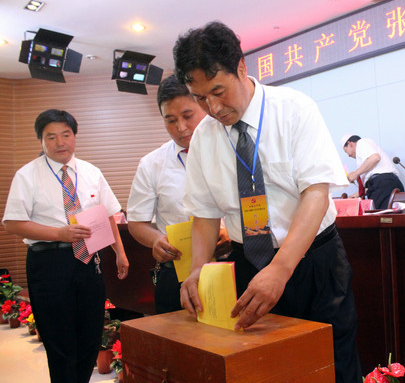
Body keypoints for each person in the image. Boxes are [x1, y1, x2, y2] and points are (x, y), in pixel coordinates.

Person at [174, 21, 361, 383]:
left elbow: (315, 194)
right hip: (248, 266)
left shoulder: (294, 109)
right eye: (200, 98)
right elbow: (205, 215)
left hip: (312, 262)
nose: (213, 107)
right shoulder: (204, 138)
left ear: (241, 67)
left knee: (330, 365)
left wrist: (280, 269)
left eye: (218, 91)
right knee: (264, 370)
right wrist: (197, 268)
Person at [2, 109, 129, 383]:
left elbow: (109, 214)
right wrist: (58, 233)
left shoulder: (91, 172)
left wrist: (119, 252)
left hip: (89, 260)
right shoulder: (27, 175)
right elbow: (12, 223)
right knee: (59, 340)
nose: (60, 142)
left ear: (74, 136)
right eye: (51, 137)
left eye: (66, 135)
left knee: (90, 335)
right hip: (49, 263)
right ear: (41, 140)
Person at [127, 75, 217, 314]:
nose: (181, 127)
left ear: (204, 106)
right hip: (177, 269)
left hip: (230, 265)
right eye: (171, 120)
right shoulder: (152, 164)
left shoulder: (229, 149)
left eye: (188, 116)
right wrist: (156, 239)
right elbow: (137, 222)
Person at [341, 134, 404, 209]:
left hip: (383, 185)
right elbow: (374, 177)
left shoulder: (361, 143)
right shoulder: (366, 152)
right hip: (389, 184)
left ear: (350, 143)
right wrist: (359, 193)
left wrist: (355, 173)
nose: (348, 155)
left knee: (382, 215)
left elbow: (375, 158)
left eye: (346, 151)